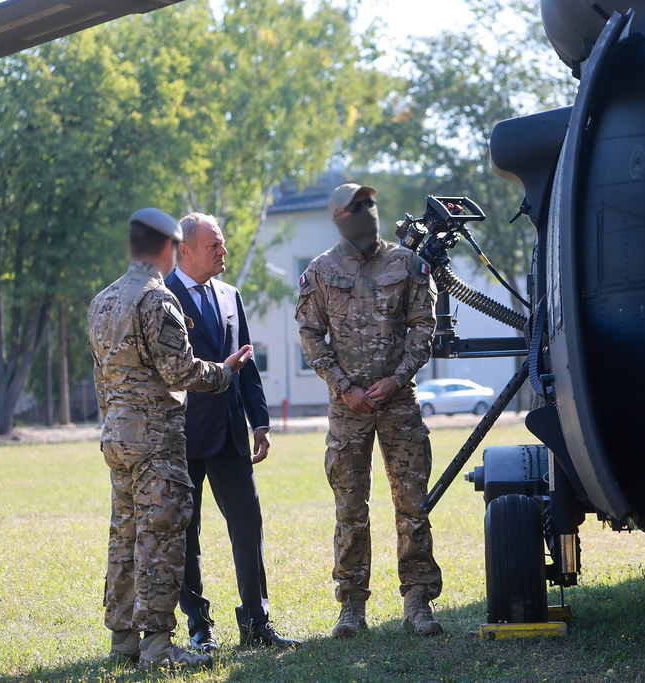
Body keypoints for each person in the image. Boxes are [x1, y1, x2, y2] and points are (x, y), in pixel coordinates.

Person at [88, 207, 253, 671]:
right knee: (160, 539)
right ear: (168, 248)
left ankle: (123, 641)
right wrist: (224, 371)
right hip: (156, 442)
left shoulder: (101, 301)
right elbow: (179, 371)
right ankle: (158, 648)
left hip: (117, 438)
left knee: (124, 538)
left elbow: (103, 378)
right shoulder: (157, 301)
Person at [295, 183, 445, 638]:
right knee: (350, 508)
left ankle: (418, 602)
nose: (367, 211)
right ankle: (352, 607)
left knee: (413, 504)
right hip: (348, 409)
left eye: (370, 204)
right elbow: (310, 334)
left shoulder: (407, 264)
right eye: (356, 207)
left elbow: (425, 326)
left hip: (399, 403)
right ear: (339, 216)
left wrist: (397, 378)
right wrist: (343, 387)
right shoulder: (320, 271)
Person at [164, 212, 299, 650]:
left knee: (248, 525)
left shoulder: (229, 295)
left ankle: (256, 623)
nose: (223, 252)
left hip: (230, 435)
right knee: (188, 533)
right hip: (180, 437)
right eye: (213, 246)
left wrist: (259, 422)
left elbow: (246, 363)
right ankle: (199, 627)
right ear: (184, 250)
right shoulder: (160, 297)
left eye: (222, 244)